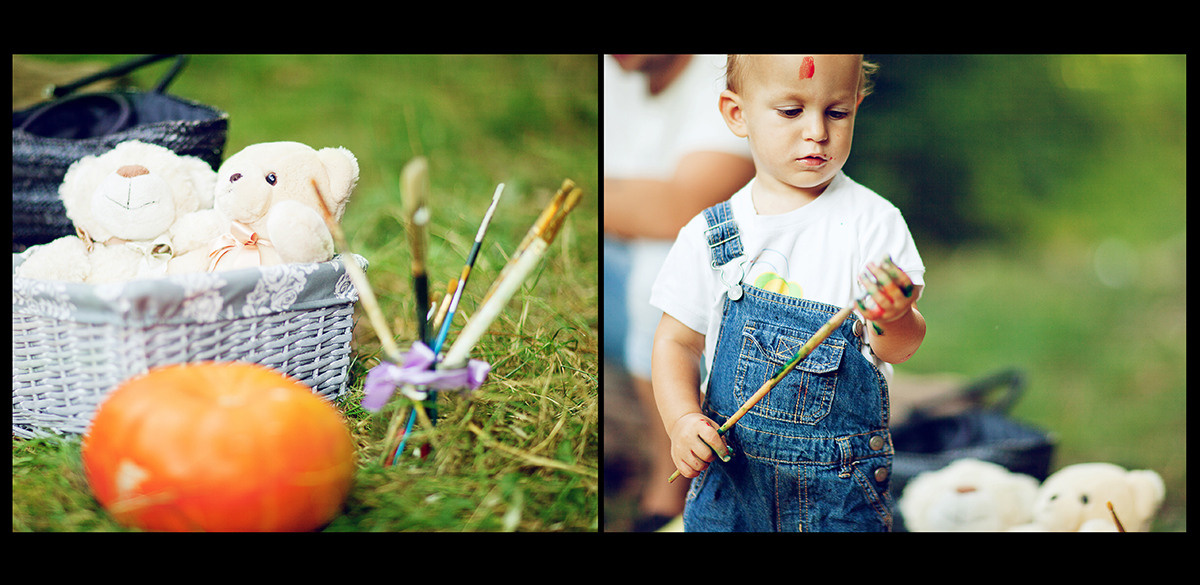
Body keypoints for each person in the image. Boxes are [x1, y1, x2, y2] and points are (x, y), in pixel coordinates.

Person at [650, 55, 926, 531]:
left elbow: (898, 347)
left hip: (838, 492)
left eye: (837, 112)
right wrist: (681, 421)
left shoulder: (874, 224)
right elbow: (677, 341)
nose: (817, 131)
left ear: (857, 107)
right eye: (791, 111)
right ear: (738, 114)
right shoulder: (711, 234)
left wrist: (893, 314)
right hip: (731, 481)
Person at [603, 54, 754, 531]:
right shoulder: (611, 74)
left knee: (662, 268)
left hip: (712, 280)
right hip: (615, 261)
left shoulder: (731, 71)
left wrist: (616, 197)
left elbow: (688, 208)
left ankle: (671, 490)